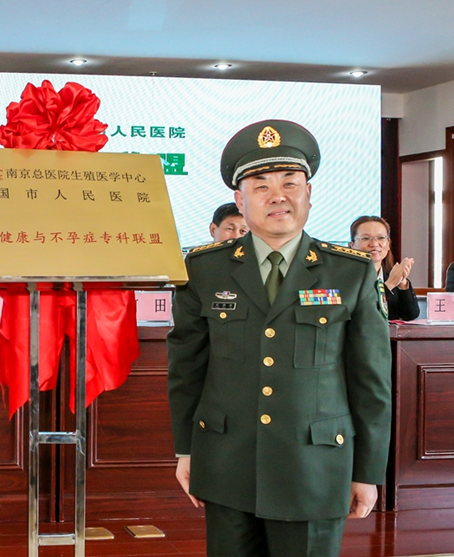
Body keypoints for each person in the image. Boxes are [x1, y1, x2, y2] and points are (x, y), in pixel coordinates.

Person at [167, 119, 392, 557]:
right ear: (240, 199)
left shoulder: (350, 271)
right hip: (227, 461)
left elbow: (371, 381)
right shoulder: (204, 269)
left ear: (309, 193)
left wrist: (367, 471)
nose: (278, 196)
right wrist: (186, 449)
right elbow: (187, 367)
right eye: (261, 186)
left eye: (290, 183)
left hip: (315, 467)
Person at [350, 216, 419, 321]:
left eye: (381, 238)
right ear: (352, 245)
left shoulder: (391, 275)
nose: (374, 244)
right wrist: (389, 284)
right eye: (365, 238)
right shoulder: (344, 278)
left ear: (388, 244)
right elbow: (363, 314)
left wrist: (402, 282)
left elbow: (410, 315)